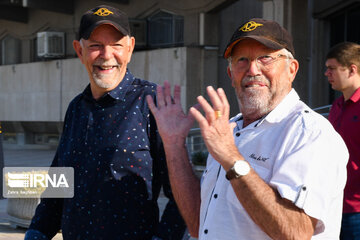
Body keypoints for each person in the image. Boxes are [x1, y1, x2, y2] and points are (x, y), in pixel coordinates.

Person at [146, 18, 349, 239]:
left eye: (266, 58)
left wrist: (231, 159)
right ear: (231, 74)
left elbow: (296, 233)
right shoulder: (229, 130)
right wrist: (174, 144)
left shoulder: (310, 133)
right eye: (242, 59)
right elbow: (198, 224)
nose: (253, 69)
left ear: (292, 69)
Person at [25, 5, 185, 240]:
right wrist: (36, 232)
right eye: (95, 46)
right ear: (79, 51)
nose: (106, 55)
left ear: (130, 48)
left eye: (116, 45)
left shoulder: (153, 103)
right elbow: (59, 185)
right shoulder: (76, 108)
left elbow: (183, 192)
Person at [325, 42, 360, 240]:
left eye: (332, 68)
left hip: (357, 210)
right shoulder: (336, 106)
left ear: (351, 69)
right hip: (334, 206)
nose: (326, 73)